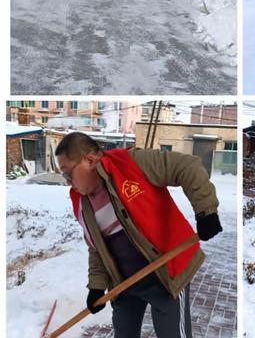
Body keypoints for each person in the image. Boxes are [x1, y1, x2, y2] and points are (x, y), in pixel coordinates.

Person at [55, 132, 222, 338]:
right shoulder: (81, 202)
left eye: (67, 173)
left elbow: (187, 166)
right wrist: (97, 286)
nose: (67, 182)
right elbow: (96, 247)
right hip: (125, 282)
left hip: (165, 272)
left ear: (90, 160)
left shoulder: (130, 163)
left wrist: (206, 211)